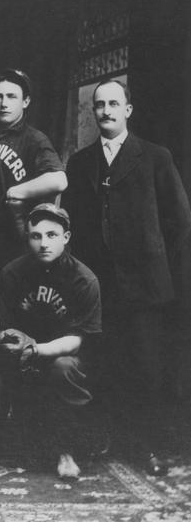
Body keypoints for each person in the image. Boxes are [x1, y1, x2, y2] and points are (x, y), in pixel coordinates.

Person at [62, 79, 191, 475]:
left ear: (128, 110)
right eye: (99, 105)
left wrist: (156, 265)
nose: (106, 111)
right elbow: (72, 225)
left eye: (114, 104)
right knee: (103, 363)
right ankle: (104, 440)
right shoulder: (81, 163)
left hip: (145, 286)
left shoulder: (154, 157)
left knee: (146, 366)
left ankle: (148, 446)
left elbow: (180, 220)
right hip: (98, 286)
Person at [0, 204, 101, 480]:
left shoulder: (83, 279)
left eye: (52, 235)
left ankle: (66, 451)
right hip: (24, 353)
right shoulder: (12, 273)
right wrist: (14, 342)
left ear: (66, 237)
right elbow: (3, 326)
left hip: (67, 357)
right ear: (27, 238)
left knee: (63, 367)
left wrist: (35, 349)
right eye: (36, 236)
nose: (43, 243)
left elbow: (76, 341)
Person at [0, 68, 67, 269]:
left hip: (15, 240)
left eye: (11, 97)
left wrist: (19, 191)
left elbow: (58, 179)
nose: (4, 104)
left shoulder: (34, 140)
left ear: (25, 102)